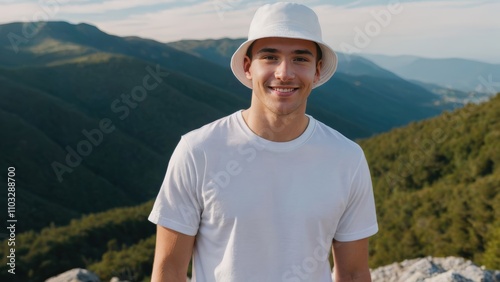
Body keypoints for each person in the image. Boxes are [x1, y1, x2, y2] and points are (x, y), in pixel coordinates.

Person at [148, 2, 378, 281]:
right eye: (270, 57)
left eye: (300, 59)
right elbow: (168, 269)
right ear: (248, 67)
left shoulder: (346, 158)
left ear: (317, 71)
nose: (284, 73)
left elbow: (353, 273)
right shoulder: (198, 151)